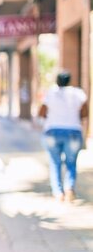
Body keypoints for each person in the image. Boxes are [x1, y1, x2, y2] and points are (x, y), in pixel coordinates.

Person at [38, 70, 88, 202]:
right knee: (71, 163)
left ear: (57, 81)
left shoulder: (51, 93)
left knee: (55, 162)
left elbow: (42, 112)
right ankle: (69, 188)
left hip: (52, 131)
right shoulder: (78, 93)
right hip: (73, 131)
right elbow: (85, 113)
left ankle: (58, 193)